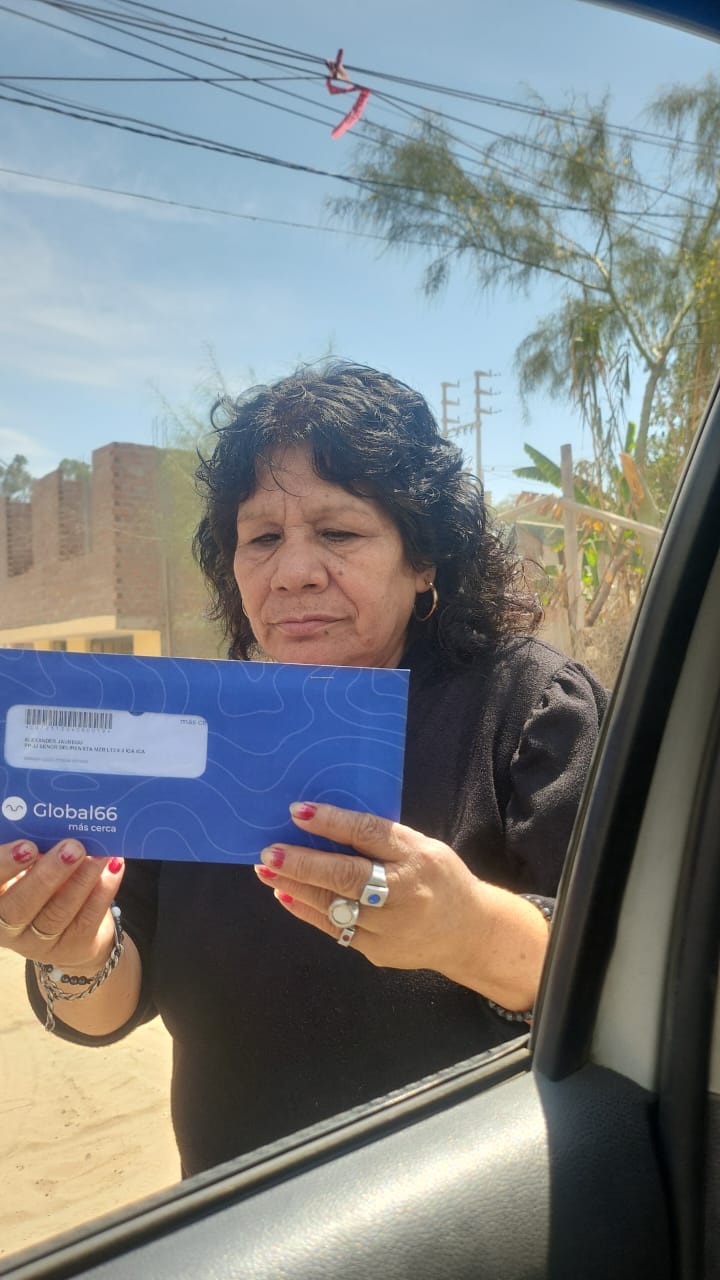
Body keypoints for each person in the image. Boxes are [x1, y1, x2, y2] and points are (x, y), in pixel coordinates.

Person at [0, 362, 607, 1178]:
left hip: (469, 1214)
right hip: (244, 1223)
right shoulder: (192, 730)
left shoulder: (531, 709)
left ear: (424, 558)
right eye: (262, 539)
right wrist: (74, 953)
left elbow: (628, 986)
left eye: (338, 533)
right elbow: (115, 998)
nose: (292, 571)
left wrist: (468, 933)